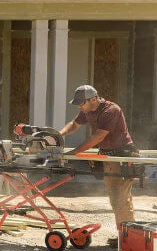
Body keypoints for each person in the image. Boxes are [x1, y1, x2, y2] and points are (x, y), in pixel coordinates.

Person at [59, 85, 138, 232]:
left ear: (93, 99)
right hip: (108, 155)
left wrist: (75, 152)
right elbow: (74, 124)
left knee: (121, 199)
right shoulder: (87, 110)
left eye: (81, 103)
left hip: (122, 155)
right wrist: (59, 134)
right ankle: (124, 234)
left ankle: (127, 237)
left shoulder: (111, 110)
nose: (79, 107)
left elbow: (98, 136)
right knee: (115, 198)